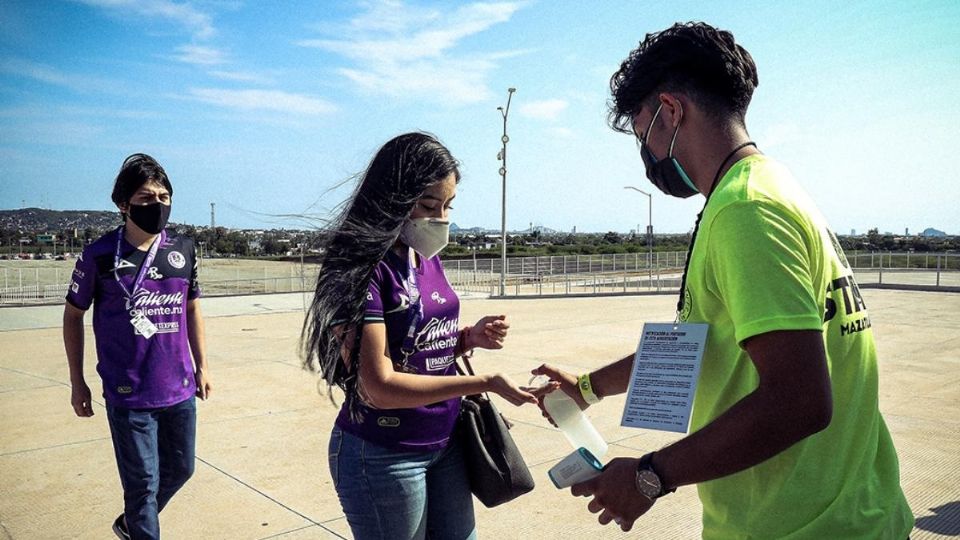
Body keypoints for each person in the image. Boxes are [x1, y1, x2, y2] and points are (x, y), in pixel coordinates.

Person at [532, 22, 914, 539]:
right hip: (843, 516)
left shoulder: (745, 211)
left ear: (671, 110)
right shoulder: (768, 187)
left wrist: (649, 477)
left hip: (803, 527)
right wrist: (587, 388)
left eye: (642, 130)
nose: (644, 151)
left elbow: (800, 399)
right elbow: (702, 343)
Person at [302, 132, 537, 540]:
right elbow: (380, 384)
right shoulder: (359, 269)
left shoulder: (422, 255)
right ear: (392, 197)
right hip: (383, 452)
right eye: (429, 205)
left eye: (448, 206)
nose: (440, 218)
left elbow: (415, 343)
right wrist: (485, 382)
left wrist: (466, 338)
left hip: (443, 442)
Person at [63, 153, 211, 540]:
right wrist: (77, 381)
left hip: (178, 387)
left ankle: (131, 522)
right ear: (123, 204)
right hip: (128, 393)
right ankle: (141, 524)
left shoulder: (183, 250)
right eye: (146, 198)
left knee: (181, 469)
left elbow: (192, 309)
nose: (157, 205)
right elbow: (73, 316)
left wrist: (203, 366)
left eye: (164, 197)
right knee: (142, 484)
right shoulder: (98, 255)